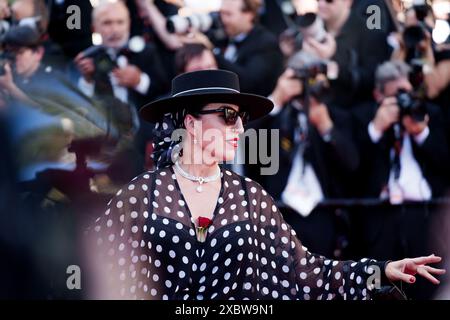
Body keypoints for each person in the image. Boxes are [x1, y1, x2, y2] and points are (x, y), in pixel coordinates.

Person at [89, 69, 445, 300]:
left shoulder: (250, 198)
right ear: (191, 123)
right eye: (228, 116)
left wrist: (379, 271)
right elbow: (93, 269)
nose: (240, 129)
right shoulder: (141, 196)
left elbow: (307, 272)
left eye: (241, 118)